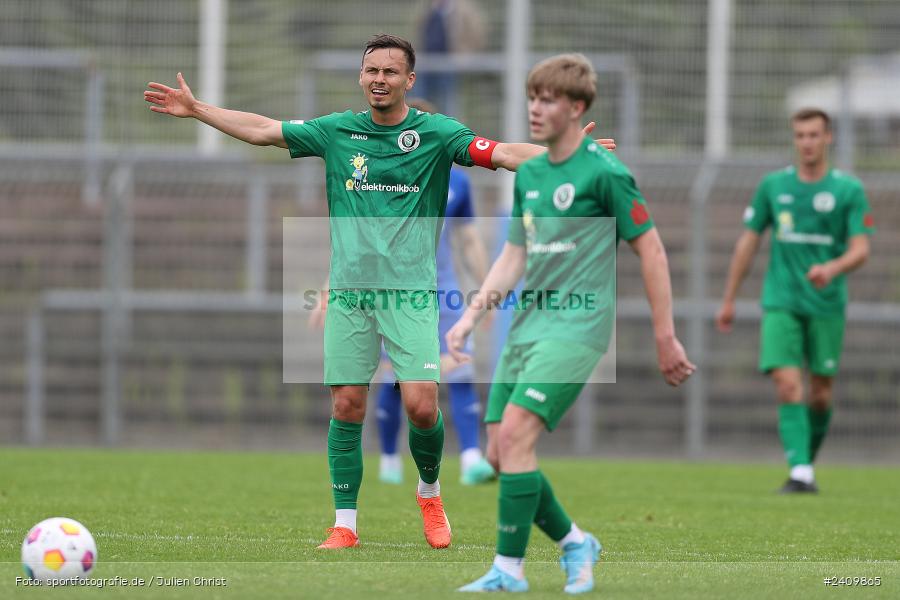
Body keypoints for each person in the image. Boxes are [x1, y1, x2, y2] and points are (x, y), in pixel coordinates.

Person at [144, 34, 616, 551]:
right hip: (349, 293)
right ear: (361, 76)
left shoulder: (437, 134)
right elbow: (262, 130)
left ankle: (430, 492)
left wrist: (569, 157)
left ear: (409, 80)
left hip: (411, 294)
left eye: (390, 72)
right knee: (347, 404)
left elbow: (502, 153)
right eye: (371, 71)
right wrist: (196, 110)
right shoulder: (337, 131)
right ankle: (345, 523)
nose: (379, 79)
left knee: (420, 405)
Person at [447, 53, 694, 594]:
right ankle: (575, 543)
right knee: (498, 452)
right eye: (532, 97)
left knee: (514, 437)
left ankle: (507, 572)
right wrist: (469, 317)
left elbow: (650, 250)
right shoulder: (532, 173)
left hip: (577, 326)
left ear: (577, 107)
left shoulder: (607, 174)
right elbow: (514, 255)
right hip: (527, 326)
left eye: (548, 99)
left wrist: (665, 334)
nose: (535, 108)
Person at [715, 108, 873, 494]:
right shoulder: (773, 187)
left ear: (828, 138)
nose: (807, 142)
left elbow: (861, 248)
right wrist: (729, 298)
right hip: (781, 300)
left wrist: (832, 269)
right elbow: (748, 242)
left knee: (820, 392)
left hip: (826, 302)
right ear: (794, 139)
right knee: (787, 384)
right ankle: (800, 469)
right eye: (800, 135)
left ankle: (805, 464)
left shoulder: (847, 191)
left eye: (814, 135)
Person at [375, 98, 496, 487]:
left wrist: (483, 291)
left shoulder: (457, 180)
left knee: (460, 366)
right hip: (393, 289)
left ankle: (472, 457)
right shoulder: (384, 176)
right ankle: (390, 459)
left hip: (442, 287)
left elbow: (469, 238)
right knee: (396, 377)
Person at [413, 0, 486, 115]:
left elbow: (477, 34)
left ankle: (449, 130)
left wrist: (464, 56)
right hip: (426, 65)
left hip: (450, 66)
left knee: (448, 102)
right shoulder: (426, 8)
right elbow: (418, 33)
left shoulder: (464, 10)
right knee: (420, 100)